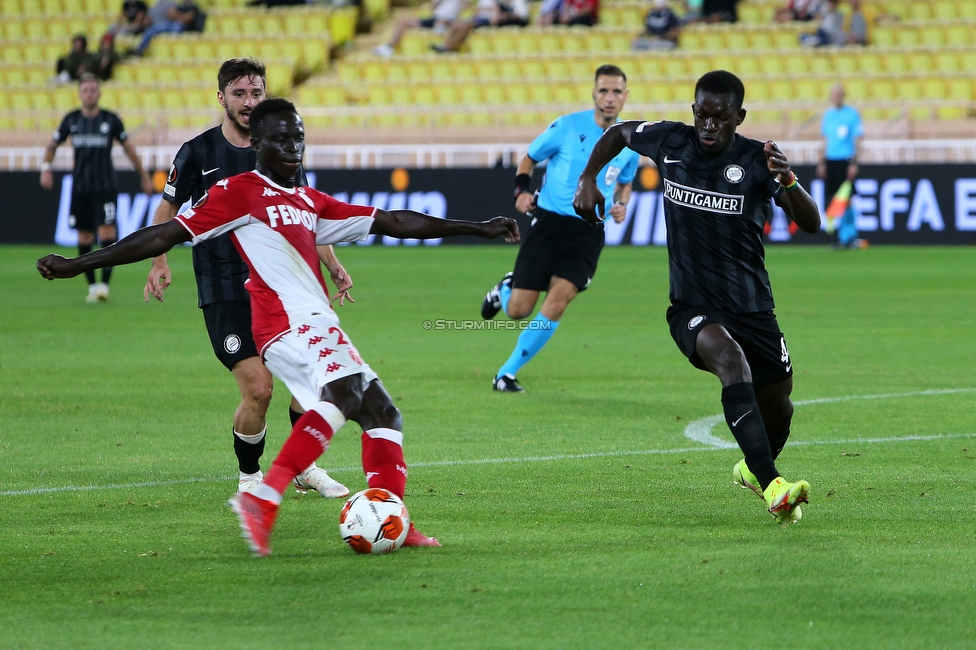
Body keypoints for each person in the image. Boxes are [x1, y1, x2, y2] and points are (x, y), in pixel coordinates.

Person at [37, 98, 521, 556]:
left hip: (318, 322)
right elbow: (165, 233)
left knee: (383, 414)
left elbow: (392, 220)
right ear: (257, 142)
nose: (293, 147)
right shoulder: (238, 193)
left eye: (299, 138)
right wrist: (81, 265)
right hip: (283, 326)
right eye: (282, 138)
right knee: (347, 392)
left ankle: (394, 519)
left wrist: (477, 226)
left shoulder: (308, 201)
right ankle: (263, 496)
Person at [573, 70, 821, 524]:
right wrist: (588, 177)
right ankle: (774, 486)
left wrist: (788, 180)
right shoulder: (670, 142)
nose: (709, 126)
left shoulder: (756, 161)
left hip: (752, 306)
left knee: (780, 405)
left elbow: (812, 222)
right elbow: (618, 134)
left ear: (738, 117)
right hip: (692, 305)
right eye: (702, 116)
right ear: (693, 112)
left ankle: (753, 469)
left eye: (720, 118)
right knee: (729, 361)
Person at [145, 58, 349, 497]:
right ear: (221, 97)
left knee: (310, 377)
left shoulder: (281, 148)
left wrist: (331, 265)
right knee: (259, 389)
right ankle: (250, 475)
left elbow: (306, 212)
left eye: (256, 93)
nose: (248, 102)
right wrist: (160, 260)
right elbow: (167, 212)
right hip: (224, 288)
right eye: (239, 93)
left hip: (282, 285)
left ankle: (303, 466)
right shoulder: (196, 152)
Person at [479, 64, 639, 392]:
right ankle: (504, 289)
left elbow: (625, 184)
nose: (610, 98)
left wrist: (621, 204)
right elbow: (529, 159)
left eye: (616, 92)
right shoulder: (567, 127)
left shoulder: (629, 143)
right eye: (604, 91)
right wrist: (521, 192)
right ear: (593, 93)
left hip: (589, 231)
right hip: (549, 223)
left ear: (626, 96)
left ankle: (505, 374)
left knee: (557, 302)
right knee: (518, 310)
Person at [39, 73, 153, 303]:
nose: (90, 93)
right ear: (80, 93)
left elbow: (129, 148)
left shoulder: (111, 119)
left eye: (93, 89)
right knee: (84, 237)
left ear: (99, 93)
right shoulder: (71, 120)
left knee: (107, 235)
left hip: (105, 187)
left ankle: (104, 285)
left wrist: (144, 176)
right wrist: (45, 167)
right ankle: (92, 286)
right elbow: (52, 145)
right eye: (86, 90)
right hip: (80, 188)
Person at [818, 82, 865, 248]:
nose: (836, 96)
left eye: (838, 93)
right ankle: (845, 236)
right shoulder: (828, 115)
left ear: (843, 95)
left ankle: (849, 236)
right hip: (831, 160)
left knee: (847, 199)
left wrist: (854, 163)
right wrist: (822, 162)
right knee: (837, 199)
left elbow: (857, 140)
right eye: (834, 94)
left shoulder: (851, 114)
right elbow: (825, 140)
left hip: (845, 160)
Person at [373, 0, 468, 57]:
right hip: (435, 18)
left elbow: (467, 5)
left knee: (452, 22)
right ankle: (389, 47)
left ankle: (443, 37)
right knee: (403, 22)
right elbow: (433, 7)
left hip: (450, 19)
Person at [431, 0, 529, 53]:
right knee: (456, 24)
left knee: (466, 25)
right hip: (486, 18)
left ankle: (450, 46)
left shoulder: (517, 2)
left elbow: (522, 16)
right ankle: (446, 44)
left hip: (493, 20)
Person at [130, 1, 206, 57]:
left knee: (177, 27)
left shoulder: (193, 7)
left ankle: (175, 51)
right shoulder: (179, 6)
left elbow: (189, 18)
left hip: (181, 26)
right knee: (151, 30)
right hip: (170, 23)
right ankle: (139, 50)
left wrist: (177, 16)